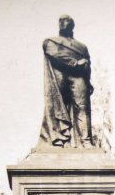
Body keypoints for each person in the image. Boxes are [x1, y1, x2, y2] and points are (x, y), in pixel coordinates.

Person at [39, 15, 94, 148]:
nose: (63, 22)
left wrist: (88, 81)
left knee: (82, 108)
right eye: (61, 20)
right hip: (59, 76)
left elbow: (88, 64)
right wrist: (75, 63)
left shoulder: (82, 47)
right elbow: (55, 54)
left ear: (72, 25)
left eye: (66, 20)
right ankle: (60, 140)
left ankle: (85, 140)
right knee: (59, 107)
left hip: (79, 77)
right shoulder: (51, 41)